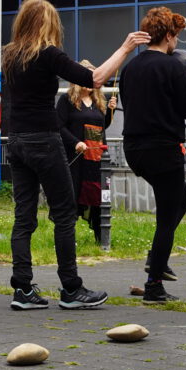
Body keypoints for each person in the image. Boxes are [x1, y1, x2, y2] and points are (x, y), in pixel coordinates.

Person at [0, 0, 148, 311]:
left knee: (23, 217)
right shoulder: (48, 54)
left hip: (16, 142)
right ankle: (71, 289)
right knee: (64, 214)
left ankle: (23, 289)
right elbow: (93, 79)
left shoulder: (9, 55)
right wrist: (125, 48)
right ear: (47, 25)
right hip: (44, 141)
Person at [117, 7, 186, 303]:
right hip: (163, 149)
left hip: (134, 149)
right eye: (176, 37)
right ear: (169, 36)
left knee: (180, 199)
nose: (177, 43)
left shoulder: (130, 68)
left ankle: (155, 260)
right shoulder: (173, 67)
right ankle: (154, 283)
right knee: (166, 217)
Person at [57, 72, 116, 245]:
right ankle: (68, 239)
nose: (91, 84)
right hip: (75, 157)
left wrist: (110, 112)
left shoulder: (98, 101)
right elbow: (58, 126)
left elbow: (102, 126)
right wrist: (75, 143)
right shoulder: (66, 101)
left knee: (98, 196)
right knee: (72, 195)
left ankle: (101, 238)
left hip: (95, 158)